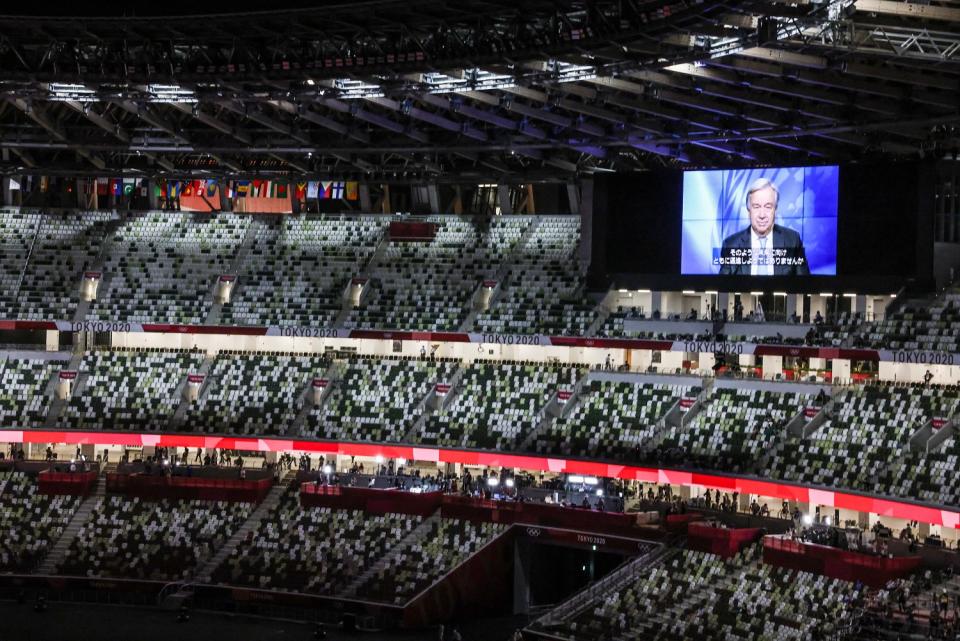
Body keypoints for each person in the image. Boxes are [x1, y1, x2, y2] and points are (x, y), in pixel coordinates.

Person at [718, 177, 810, 276]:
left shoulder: (792, 240)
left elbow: (804, 286)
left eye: (768, 207)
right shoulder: (731, 245)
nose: (762, 215)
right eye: (756, 207)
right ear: (749, 211)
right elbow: (723, 288)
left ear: (776, 210)